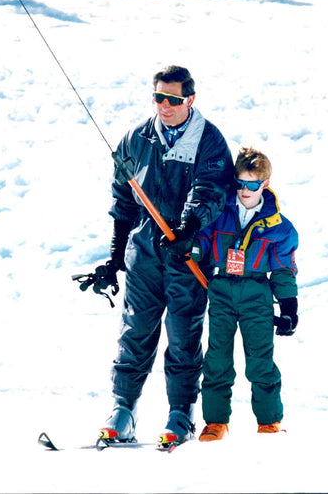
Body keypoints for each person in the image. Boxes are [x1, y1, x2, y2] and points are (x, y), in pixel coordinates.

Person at [86, 65, 234, 445]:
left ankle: (181, 413)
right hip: (145, 252)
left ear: (190, 100)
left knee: (184, 333)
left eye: (173, 99)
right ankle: (123, 409)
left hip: (189, 253)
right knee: (136, 331)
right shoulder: (137, 138)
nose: (164, 106)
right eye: (158, 98)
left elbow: (210, 190)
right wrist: (117, 258)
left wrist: (188, 228)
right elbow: (123, 200)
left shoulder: (209, 140)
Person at [192, 146, 299, 442]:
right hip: (222, 289)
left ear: (264, 184)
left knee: (260, 359)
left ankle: (269, 421)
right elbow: (199, 241)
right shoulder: (219, 212)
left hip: (256, 293)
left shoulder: (278, 227)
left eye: (252, 184)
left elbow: (282, 269)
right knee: (217, 358)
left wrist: (289, 306)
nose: (244, 190)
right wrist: (187, 246)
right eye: (240, 183)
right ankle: (215, 422)